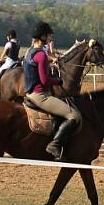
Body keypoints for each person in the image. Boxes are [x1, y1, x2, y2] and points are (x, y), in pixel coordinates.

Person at [23, 22, 81, 160]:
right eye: (49, 35)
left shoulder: (29, 52)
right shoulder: (41, 55)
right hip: (40, 96)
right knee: (74, 115)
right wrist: (58, 81)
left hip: (30, 93)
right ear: (43, 36)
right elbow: (44, 80)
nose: (50, 38)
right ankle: (54, 145)